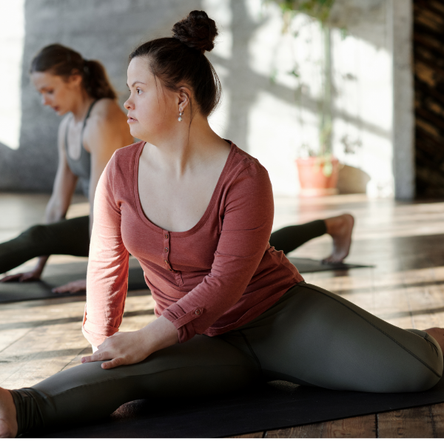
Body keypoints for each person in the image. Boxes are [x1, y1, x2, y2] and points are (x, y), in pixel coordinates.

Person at [1, 11, 442, 438]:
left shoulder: (245, 177)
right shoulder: (120, 169)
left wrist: (150, 336)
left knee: (415, 371)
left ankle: (431, 338)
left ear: (180, 98)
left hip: (279, 319)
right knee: (121, 373)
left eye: (138, 89)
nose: (127, 102)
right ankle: (17, 409)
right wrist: (104, 344)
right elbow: (104, 264)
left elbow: (227, 283)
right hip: (199, 339)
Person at [0, 44, 134, 294]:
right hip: (112, 221)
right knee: (37, 236)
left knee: (36, 236)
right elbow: (57, 203)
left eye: (49, 91)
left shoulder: (101, 120)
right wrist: (39, 266)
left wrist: (99, 279)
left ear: (74, 79)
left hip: (133, 225)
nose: (44, 101)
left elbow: (102, 203)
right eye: (41, 93)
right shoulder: (68, 125)